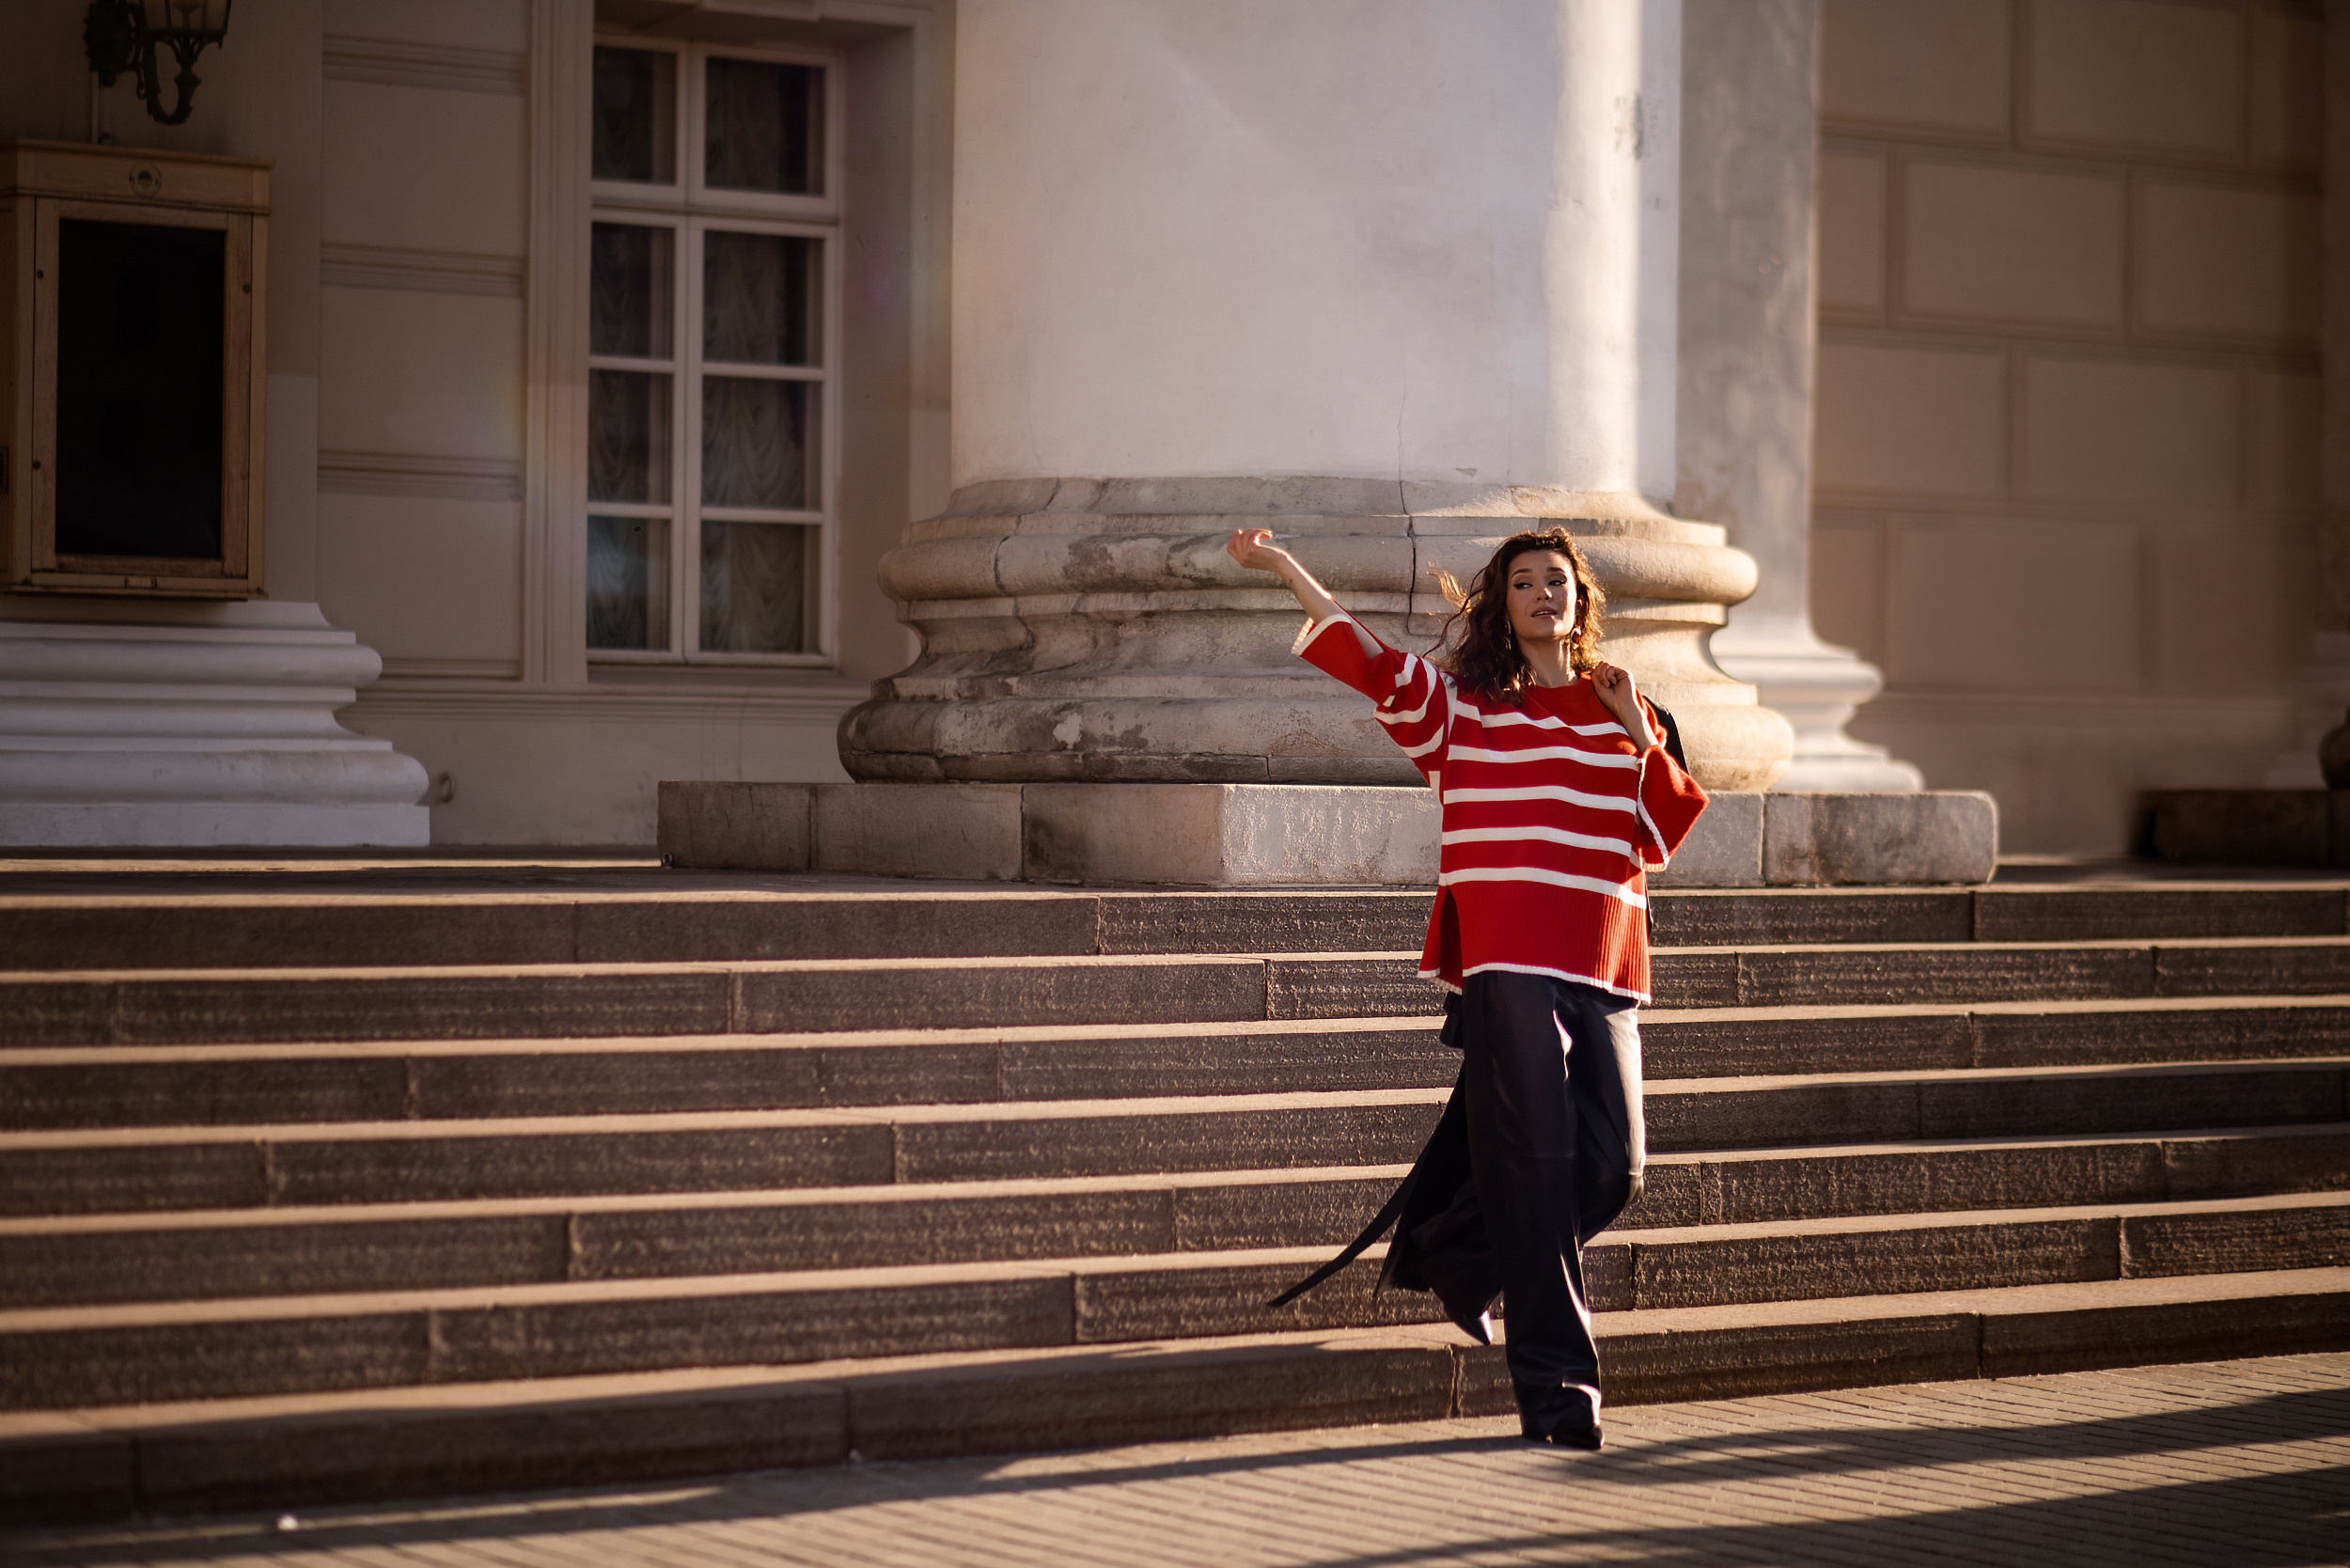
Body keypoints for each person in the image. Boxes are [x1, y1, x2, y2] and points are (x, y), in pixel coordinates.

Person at [1228, 524, 1709, 1452]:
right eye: (1522, 581)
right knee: (1534, 1172)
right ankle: (1558, 1393)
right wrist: (1285, 565)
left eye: (1555, 580)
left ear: (1579, 600)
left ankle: (1459, 1255)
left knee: (1612, 1171)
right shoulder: (1465, 710)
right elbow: (1364, 658)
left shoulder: (1626, 706)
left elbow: (1662, 831)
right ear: (1504, 603)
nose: (1541, 593)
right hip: (1508, 964)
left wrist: (1632, 729)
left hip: (1606, 964)